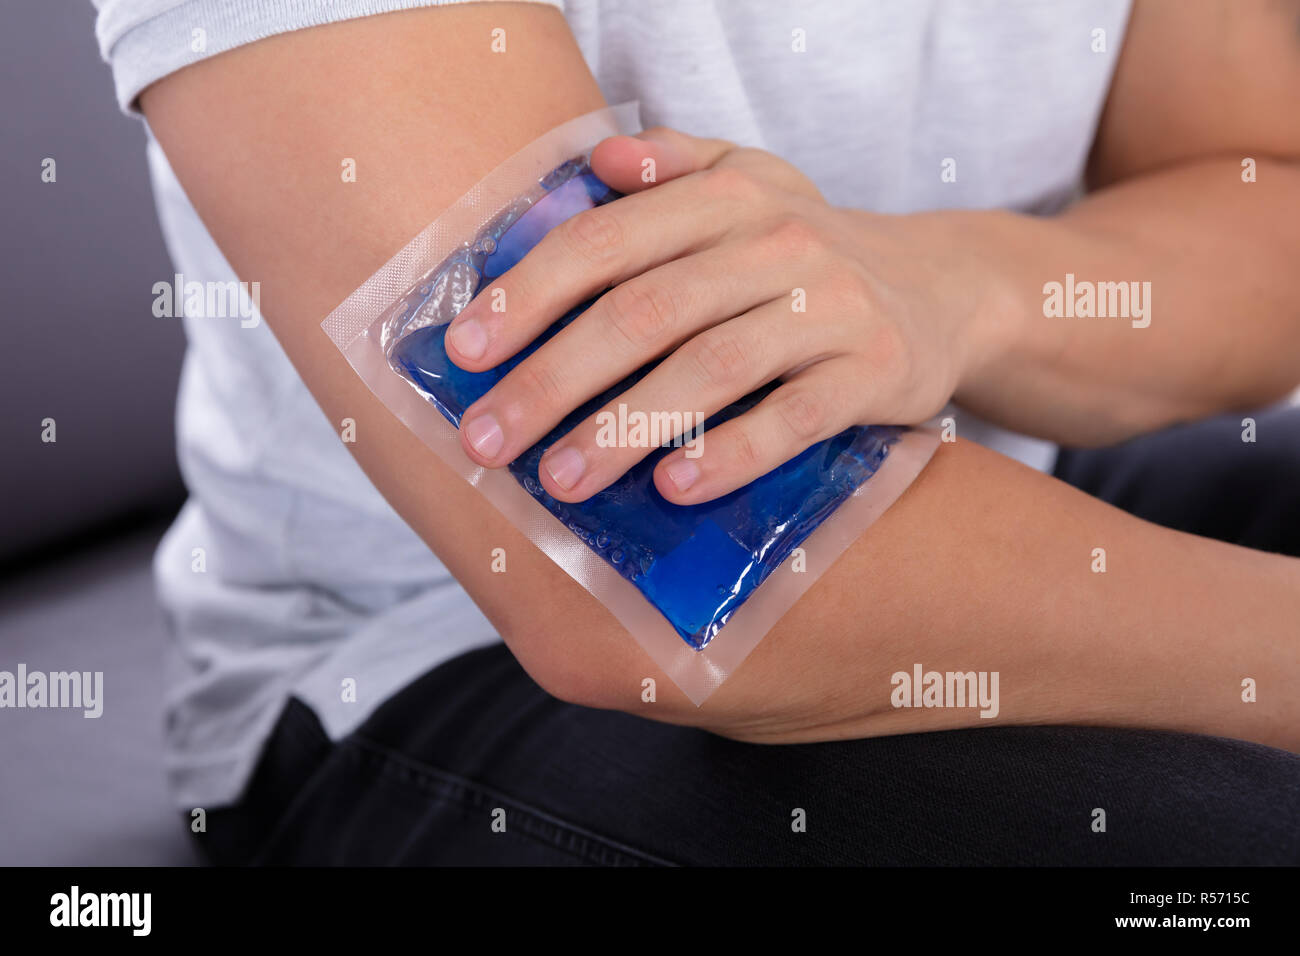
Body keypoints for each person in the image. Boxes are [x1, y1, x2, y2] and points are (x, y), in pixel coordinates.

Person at [90, 0, 1300, 864]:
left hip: (989, 462)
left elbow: (1260, 200)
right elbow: (655, 572)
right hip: (425, 657)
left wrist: (957, 287)